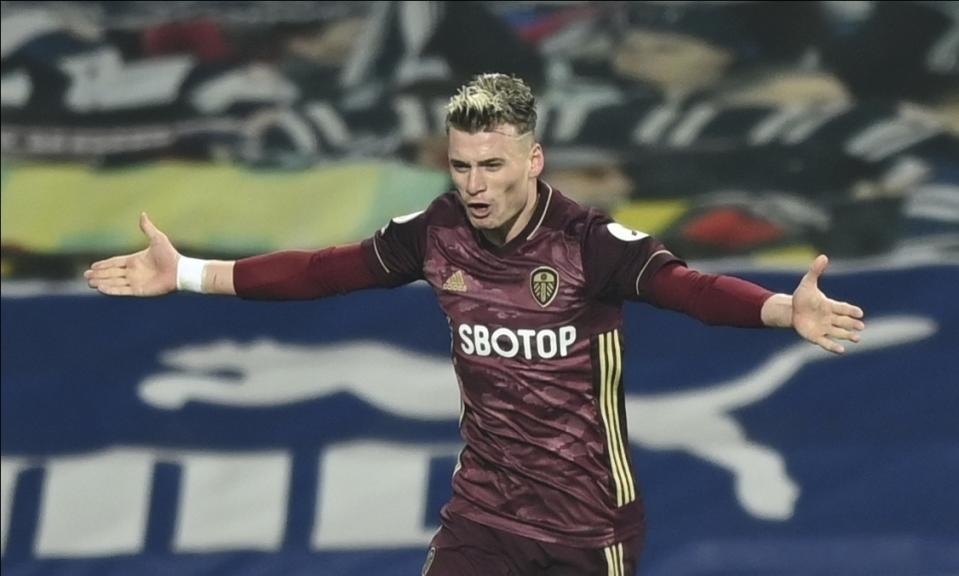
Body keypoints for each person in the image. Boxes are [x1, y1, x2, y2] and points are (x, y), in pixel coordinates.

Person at [85, 73, 865, 575]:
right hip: (482, 516)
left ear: (533, 160)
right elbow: (324, 272)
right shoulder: (436, 232)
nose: (475, 184)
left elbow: (684, 287)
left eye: (492, 166)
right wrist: (187, 273)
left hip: (588, 526)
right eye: (460, 166)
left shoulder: (588, 243)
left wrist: (776, 309)